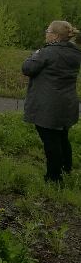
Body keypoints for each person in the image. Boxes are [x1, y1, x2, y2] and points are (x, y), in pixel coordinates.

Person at [22, 20, 81, 183]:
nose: (46, 33)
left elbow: (27, 69)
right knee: (62, 137)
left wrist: (34, 54)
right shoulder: (75, 53)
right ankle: (66, 169)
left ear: (55, 36)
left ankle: (53, 178)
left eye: (48, 31)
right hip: (67, 103)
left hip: (48, 105)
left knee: (51, 141)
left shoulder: (46, 53)